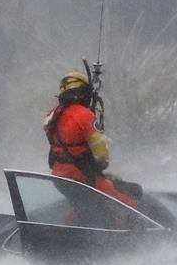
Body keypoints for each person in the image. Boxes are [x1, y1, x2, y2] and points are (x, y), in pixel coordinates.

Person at [44, 72, 139, 208]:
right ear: (83, 92)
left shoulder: (54, 114)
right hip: (82, 177)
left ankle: (68, 227)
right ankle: (134, 227)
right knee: (126, 197)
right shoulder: (84, 115)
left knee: (79, 206)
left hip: (60, 178)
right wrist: (100, 165)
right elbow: (100, 150)